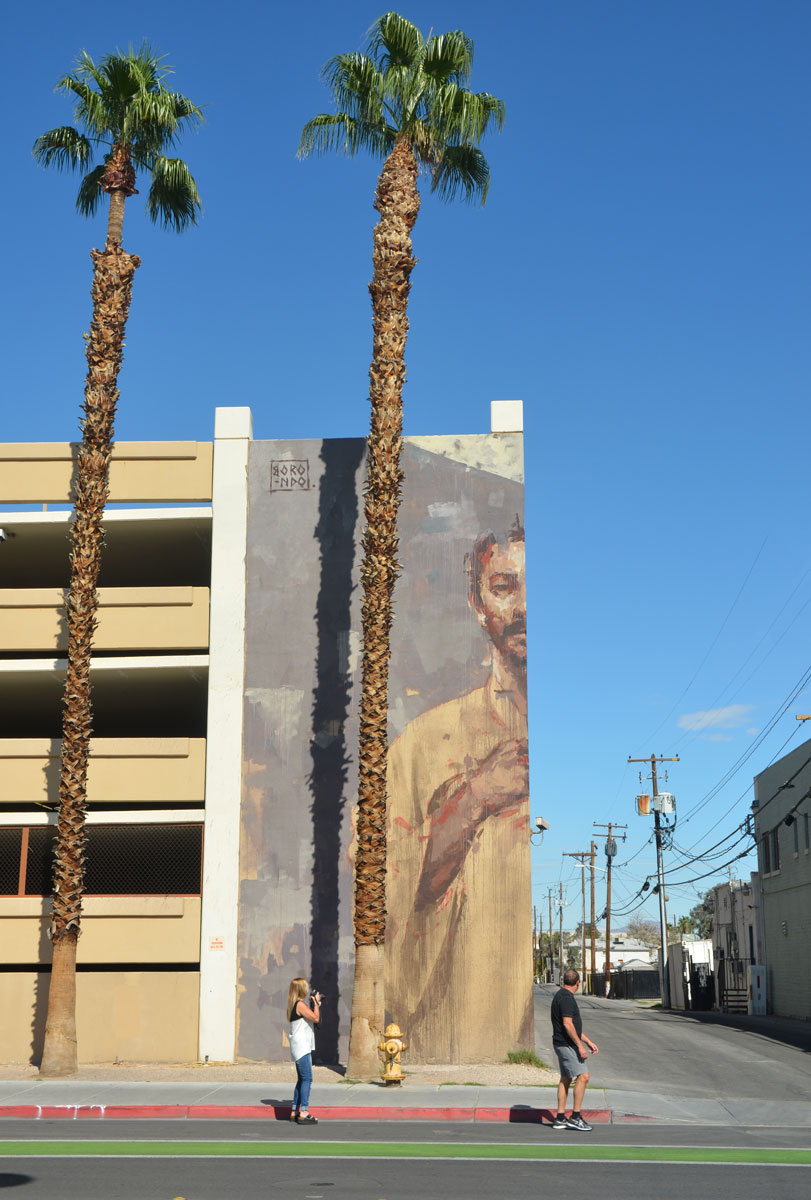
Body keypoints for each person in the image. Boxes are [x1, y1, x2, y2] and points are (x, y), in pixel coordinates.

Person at [385, 521, 532, 1061]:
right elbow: (386, 894)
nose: (522, 606)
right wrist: (473, 799)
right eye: (504, 587)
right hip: (453, 1036)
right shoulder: (423, 745)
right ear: (477, 602)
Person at [550, 968, 599, 1131]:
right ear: (578, 983)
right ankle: (575, 1117)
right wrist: (580, 1046)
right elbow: (567, 1024)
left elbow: (573, 1027)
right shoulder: (566, 998)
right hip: (567, 1045)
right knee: (583, 1076)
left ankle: (560, 1118)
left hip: (562, 1043)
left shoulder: (561, 995)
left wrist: (588, 1041)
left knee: (566, 1079)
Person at [287, 977, 321, 1124]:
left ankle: (295, 1110)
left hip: (298, 1046)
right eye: (305, 987)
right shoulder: (300, 1004)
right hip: (302, 1047)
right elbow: (315, 1018)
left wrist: (315, 1003)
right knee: (307, 1079)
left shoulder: (294, 1004)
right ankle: (304, 1112)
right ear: (301, 989)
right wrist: (317, 1005)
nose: (307, 990)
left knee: (301, 1079)